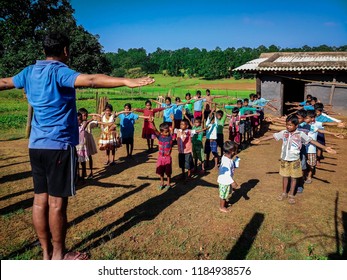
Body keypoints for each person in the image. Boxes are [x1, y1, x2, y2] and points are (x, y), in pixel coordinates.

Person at [0, 32, 154, 260]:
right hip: (59, 147)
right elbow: (91, 80)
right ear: (65, 50)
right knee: (56, 204)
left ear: (44, 50)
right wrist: (124, 81)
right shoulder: (59, 71)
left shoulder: (29, 72)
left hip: (36, 147)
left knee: (39, 200)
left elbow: (3, 82)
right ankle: (59, 255)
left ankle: (45, 253)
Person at [251, 115, 336, 204]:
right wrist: (260, 140)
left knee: (294, 178)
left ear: (296, 126)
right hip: (284, 159)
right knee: (285, 177)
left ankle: (291, 194)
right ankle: (284, 193)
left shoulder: (300, 134)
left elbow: (311, 141)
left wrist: (325, 148)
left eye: (290, 125)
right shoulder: (284, 132)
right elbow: (273, 136)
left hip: (295, 160)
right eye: (287, 125)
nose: (288, 127)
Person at [149, 117, 174, 190]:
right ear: (161, 132)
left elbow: (172, 128)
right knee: (161, 172)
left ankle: (168, 184)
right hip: (160, 157)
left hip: (167, 158)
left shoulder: (170, 137)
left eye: (168, 131)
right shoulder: (160, 137)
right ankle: (162, 183)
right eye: (166, 132)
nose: (168, 133)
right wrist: (152, 122)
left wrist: (173, 120)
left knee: (168, 172)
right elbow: (155, 129)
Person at [217, 141, 239, 213]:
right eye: (235, 151)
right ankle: (222, 207)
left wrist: (235, 162)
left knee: (226, 193)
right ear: (232, 151)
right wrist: (233, 182)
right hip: (224, 181)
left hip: (226, 180)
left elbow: (230, 165)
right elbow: (226, 175)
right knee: (223, 194)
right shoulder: (226, 162)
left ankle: (224, 203)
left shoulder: (226, 157)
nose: (236, 152)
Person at [78, 108, 98, 179]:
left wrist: (94, 119)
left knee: (89, 156)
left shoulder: (88, 123)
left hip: (88, 142)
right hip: (80, 145)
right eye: (84, 116)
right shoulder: (78, 123)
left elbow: (96, 124)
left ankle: (91, 172)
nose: (85, 117)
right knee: (81, 159)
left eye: (86, 115)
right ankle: (83, 173)